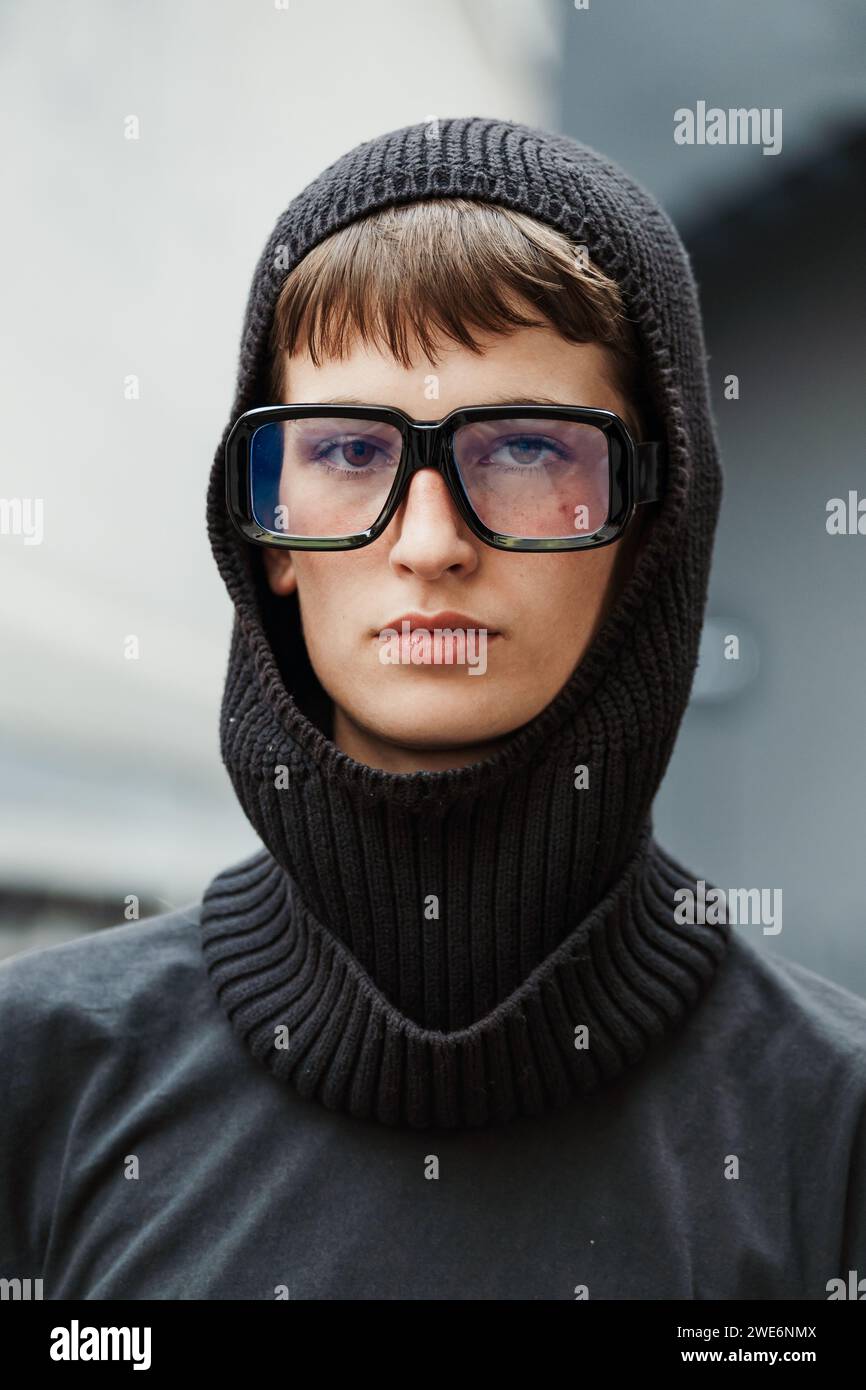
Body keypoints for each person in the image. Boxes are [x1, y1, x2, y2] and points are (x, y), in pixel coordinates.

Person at [1, 117, 864, 1301]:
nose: (427, 542)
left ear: (651, 526)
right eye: (350, 451)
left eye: (522, 450)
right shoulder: (37, 1077)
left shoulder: (829, 1126)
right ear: (265, 536)